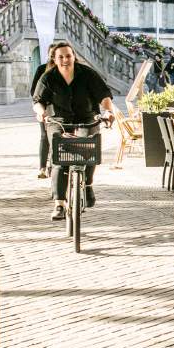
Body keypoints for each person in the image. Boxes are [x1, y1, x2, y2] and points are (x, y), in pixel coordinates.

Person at [32, 41, 115, 221]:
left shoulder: (87, 74)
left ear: (73, 56)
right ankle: (59, 204)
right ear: (54, 59)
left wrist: (108, 112)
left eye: (68, 56)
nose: (65, 60)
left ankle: (87, 184)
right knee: (59, 160)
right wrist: (42, 113)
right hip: (59, 120)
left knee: (89, 149)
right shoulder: (48, 77)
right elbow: (38, 100)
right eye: (60, 57)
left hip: (87, 117)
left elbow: (104, 94)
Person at [31, 44, 57, 179]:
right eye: (52, 54)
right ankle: (42, 167)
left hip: (61, 109)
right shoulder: (42, 69)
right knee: (44, 136)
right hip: (45, 108)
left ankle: (55, 165)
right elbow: (33, 91)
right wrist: (41, 106)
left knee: (58, 137)